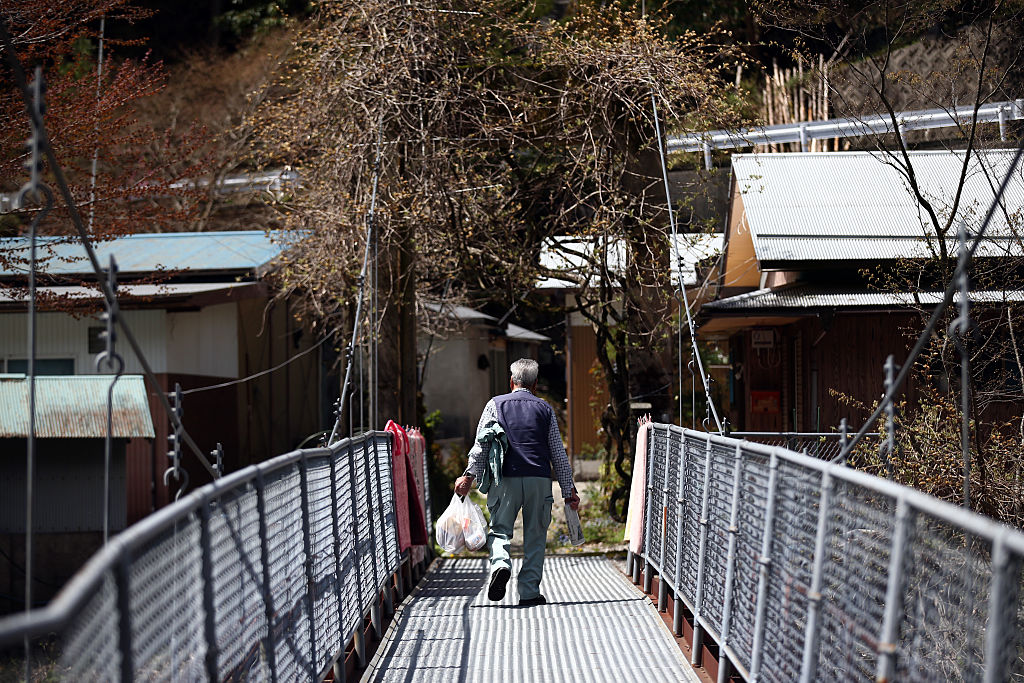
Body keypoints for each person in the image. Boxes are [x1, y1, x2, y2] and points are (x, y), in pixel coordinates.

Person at [455, 358, 579, 606]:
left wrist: (468, 475)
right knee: (535, 535)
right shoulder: (545, 409)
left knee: (500, 530)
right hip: (539, 479)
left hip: (505, 479)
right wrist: (569, 490)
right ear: (535, 385)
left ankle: (501, 563)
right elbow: (557, 451)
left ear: (511, 382)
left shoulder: (495, 405)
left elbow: (482, 444)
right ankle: (529, 592)